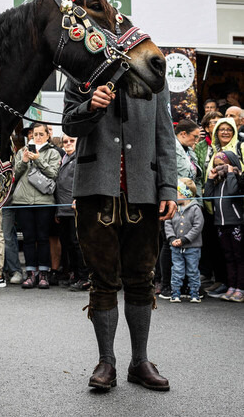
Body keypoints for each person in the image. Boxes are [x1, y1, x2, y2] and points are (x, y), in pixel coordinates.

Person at [62, 80, 177, 393]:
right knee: (102, 279)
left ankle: (140, 361)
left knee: (142, 277)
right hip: (94, 192)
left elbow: (165, 134)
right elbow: (70, 125)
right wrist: (90, 105)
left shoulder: (153, 77)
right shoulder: (82, 75)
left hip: (145, 190)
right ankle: (107, 362)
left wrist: (169, 187)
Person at [10, 123, 61, 289]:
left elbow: (54, 174)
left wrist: (38, 160)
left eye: (40, 134)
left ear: (47, 136)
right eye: (34, 134)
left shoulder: (52, 152)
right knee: (29, 238)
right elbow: (14, 176)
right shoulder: (21, 152)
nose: (36, 137)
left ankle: (44, 273)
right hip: (23, 201)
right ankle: (31, 273)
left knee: (43, 238)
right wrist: (24, 161)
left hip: (44, 201)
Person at [203, 118, 244, 301]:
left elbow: (234, 192)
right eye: (216, 163)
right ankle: (231, 286)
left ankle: (240, 288)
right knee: (227, 256)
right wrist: (211, 178)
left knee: (239, 256)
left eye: (223, 163)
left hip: (236, 222)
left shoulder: (233, 179)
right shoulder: (218, 181)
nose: (219, 166)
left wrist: (230, 173)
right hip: (221, 223)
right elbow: (208, 196)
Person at [54, 135, 89, 291]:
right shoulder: (64, 158)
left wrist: (79, 198)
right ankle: (75, 274)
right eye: (65, 141)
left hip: (76, 208)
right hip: (63, 209)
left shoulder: (80, 158)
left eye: (71, 141)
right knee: (68, 244)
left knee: (78, 244)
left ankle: (84, 277)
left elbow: (84, 180)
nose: (67, 144)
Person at [164, 178, 204, 303]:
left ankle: (194, 293)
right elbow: (168, 223)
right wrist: (172, 238)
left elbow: (198, 226)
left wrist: (185, 240)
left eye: (176, 192)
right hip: (175, 246)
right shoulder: (174, 208)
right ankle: (175, 292)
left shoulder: (195, 208)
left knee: (192, 270)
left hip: (192, 247)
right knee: (176, 269)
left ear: (184, 194)